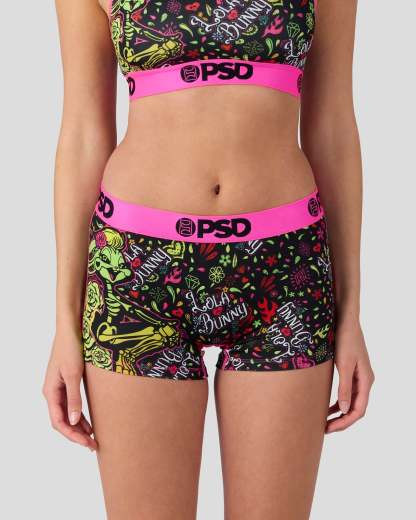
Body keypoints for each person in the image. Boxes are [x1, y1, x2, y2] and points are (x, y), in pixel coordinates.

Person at [43, 0, 375, 518]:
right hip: (136, 274)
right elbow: (84, 133)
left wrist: (350, 311)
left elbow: (332, 126)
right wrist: (65, 322)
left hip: (286, 274)